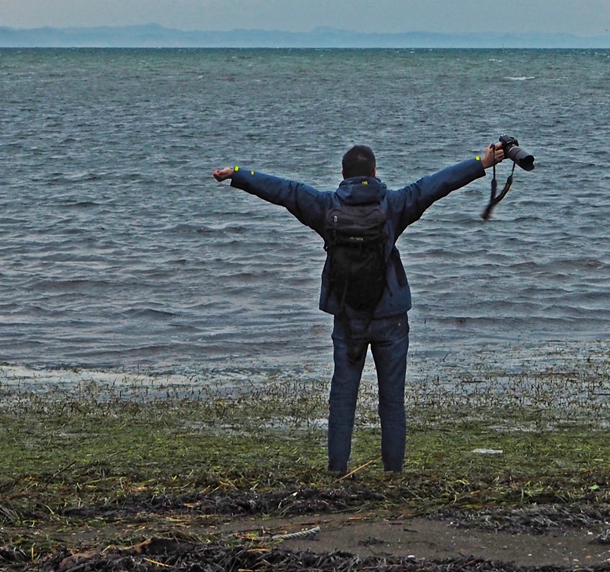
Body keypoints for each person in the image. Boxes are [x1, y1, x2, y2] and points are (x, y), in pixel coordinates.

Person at [213, 140, 506, 474]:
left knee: (343, 399)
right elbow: (436, 184)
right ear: (374, 173)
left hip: (347, 316)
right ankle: (393, 473)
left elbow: (283, 191)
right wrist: (481, 163)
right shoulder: (395, 203)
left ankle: (338, 470)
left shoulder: (325, 206)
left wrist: (237, 174)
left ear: (342, 174)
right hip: (391, 317)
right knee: (392, 402)